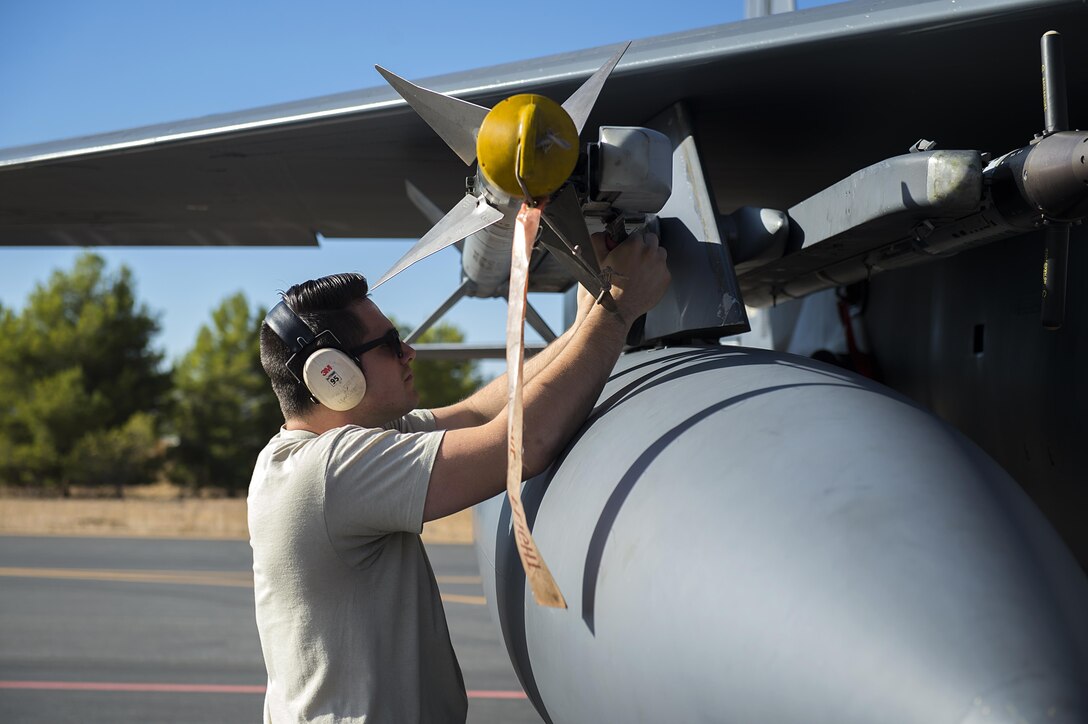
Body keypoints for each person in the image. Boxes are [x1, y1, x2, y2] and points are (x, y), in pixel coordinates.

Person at [248, 229, 670, 723]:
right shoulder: (331, 469)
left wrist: (585, 323)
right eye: (387, 345)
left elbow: (476, 413)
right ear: (332, 375)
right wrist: (618, 312)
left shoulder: (331, 449)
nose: (408, 353)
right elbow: (516, 447)